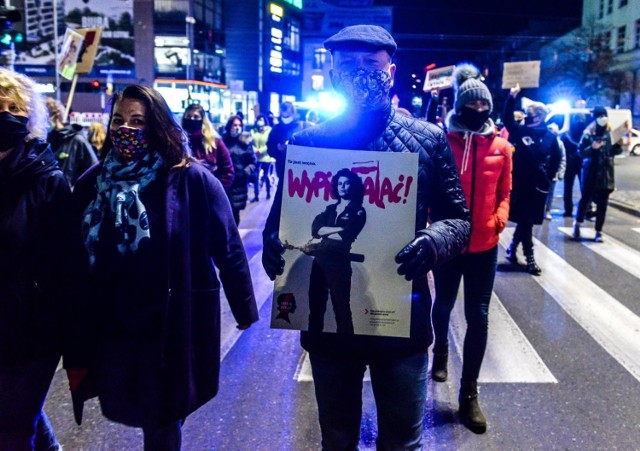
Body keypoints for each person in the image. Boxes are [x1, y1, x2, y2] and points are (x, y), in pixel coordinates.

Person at [262, 25, 471, 449]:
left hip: (401, 321)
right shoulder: (308, 143)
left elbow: (458, 219)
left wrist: (433, 241)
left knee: (401, 442)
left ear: (390, 71)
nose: (360, 72)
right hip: (329, 330)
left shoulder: (427, 140)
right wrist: (273, 248)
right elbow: (279, 222)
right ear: (333, 74)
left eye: (370, 64)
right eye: (348, 64)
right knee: (337, 439)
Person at [71, 85, 259, 450]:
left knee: (161, 417)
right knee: (140, 408)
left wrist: (244, 308)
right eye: (119, 120)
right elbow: (70, 253)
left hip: (171, 321)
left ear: (158, 126)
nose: (126, 129)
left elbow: (229, 247)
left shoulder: (191, 179)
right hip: (115, 324)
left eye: (138, 121)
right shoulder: (93, 183)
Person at [427, 63, 512, 433]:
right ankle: (440, 350)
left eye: (483, 107)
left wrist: (498, 220)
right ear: (460, 105)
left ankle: (469, 395)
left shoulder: (502, 147)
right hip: (449, 242)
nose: (477, 113)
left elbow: (506, 191)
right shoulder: (443, 141)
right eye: (470, 106)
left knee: (478, 315)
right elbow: (428, 186)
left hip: (485, 245)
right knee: (442, 305)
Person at [0, 68, 76, 451]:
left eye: (11, 108)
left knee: (12, 430)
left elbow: (66, 266)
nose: (3, 115)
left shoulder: (47, 180)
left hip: (30, 332)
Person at [503, 84, 562, 275]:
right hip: (520, 184)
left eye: (532, 112)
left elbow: (556, 159)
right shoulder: (520, 130)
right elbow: (507, 120)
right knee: (525, 220)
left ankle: (513, 248)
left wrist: (548, 177)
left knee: (526, 220)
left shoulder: (549, 137)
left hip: (537, 187)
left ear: (540, 116)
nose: (528, 114)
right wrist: (511, 97)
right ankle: (529, 258)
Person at [307, 168, 367, 335]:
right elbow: (315, 229)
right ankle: (316, 342)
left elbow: (346, 236)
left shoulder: (358, 211)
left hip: (339, 263)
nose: (342, 186)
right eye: (340, 183)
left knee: (341, 308)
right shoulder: (330, 208)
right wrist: (338, 228)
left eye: (347, 183)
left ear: (353, 186)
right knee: (316, 306)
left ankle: (346, 347)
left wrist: (328, 230)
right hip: (319, 261)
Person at [572, 106, 616, 242]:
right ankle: (577, 223)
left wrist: (618, 146)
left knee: (602, 205)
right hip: (591, 172)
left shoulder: (610, 133)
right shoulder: (588, 133)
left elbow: (614, 152)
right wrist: (592, 148)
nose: (603, 118)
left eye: (604, 115)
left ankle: (598, 231)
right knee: (585, 200)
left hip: (606, 173)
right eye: (600, 116)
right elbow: (580, 152)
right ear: (595, 118)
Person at [45, 97, 98, 188]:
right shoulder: (45, 141)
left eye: (44, 117)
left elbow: (94, 172)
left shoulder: (77, 140)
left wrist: (78, 191)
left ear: (56, 115)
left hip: (69, 198)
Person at [182, 103, 234, 189]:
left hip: (209, 193)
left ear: (203, 120)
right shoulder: (180, 141)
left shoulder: (215, 142)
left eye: (196, 117)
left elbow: (228, 170)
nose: (191, 119)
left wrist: (217, 191)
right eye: (188, 116)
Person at [222, 115, 257, 224]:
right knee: (223, 211)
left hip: (239, 183)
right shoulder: (223, 141)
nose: (237, 127)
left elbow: (253, 161)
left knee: (234, 212)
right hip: (224, 182)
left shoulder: (245, 142)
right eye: (234, 125)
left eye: (239, 125)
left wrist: (246, 171)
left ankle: (232, 237)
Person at [561, 104, 589, 217]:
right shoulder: (585, 134)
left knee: (568, 188)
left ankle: (569, 210)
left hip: (571, 162)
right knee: (583, 187)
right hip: (580, 162)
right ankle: (585, 209)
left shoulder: (567, 133)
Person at [266, 101, 302, 179]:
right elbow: (269, 147)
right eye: (283, 115)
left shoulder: (300, 127)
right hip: (281, 168)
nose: (285, 118)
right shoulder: (276, 129)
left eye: (287, 115)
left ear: (293, 112)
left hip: (298, 167)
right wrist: (277, 148)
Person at [543, 122, 566, 220]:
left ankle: (547, 210)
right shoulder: (544, 141)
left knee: (550, 193)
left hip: (553, 172)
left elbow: (562, 158)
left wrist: (561, 172)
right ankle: (541, 209)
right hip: (543, 170)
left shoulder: (559, 143)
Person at [250, 113, 273, 201]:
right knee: (255, 176)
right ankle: (256, 195)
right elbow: (250, 142)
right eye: (258, 120)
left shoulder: (269, 130)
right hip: (255, 157)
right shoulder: (253, 131)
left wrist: (261, 150)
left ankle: (268, 193)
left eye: (262, 120)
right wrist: (255, 150)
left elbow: (270, 143)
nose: (260, 122)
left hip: (266, 156)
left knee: (266, 175)